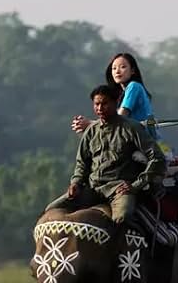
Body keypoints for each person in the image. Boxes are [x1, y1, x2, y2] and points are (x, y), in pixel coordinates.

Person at [46, 83, 165, 223]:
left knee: (122, 217)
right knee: (51, 211)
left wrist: (135, 185)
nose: (100, 108)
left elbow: (157, 157)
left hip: (119, 189)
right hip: (94, 188)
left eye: (104, 103)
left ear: (116, 103)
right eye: (96, 104)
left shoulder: (132, 128)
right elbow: (82, 163)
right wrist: (76, 183)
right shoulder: (91, 131)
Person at [72, 52, 172, 157]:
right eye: (114, 68)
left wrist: (90, 124)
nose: (117, 71)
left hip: (144, 144)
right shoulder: (121, 94)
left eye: (123, 67)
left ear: (132, 70)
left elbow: (119, 118)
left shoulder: (134, 86)